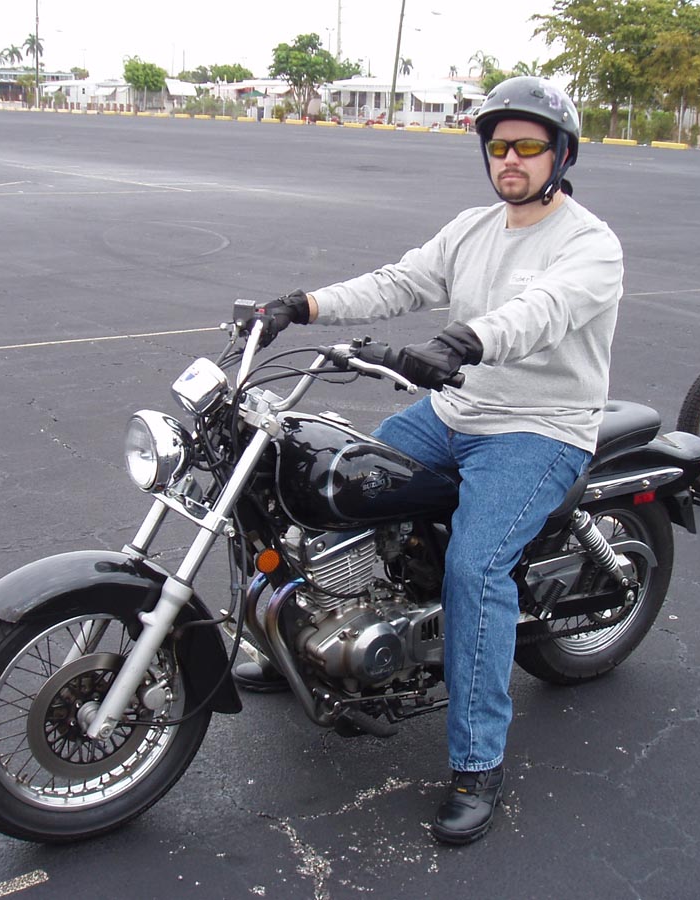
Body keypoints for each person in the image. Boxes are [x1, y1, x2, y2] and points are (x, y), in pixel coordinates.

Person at [237, 76, 624, 844]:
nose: (510, 158)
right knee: (325, 484)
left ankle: (478, 763)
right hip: (454, 412)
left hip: (537, 428)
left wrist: (463, 341)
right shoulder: (472, 229)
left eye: (528, 145)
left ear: (562, 154)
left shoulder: (590, 244)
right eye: (499, 145)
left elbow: (541, 311)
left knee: (475, 570)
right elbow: (400, 282)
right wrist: (299, 306)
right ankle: (294, 643)